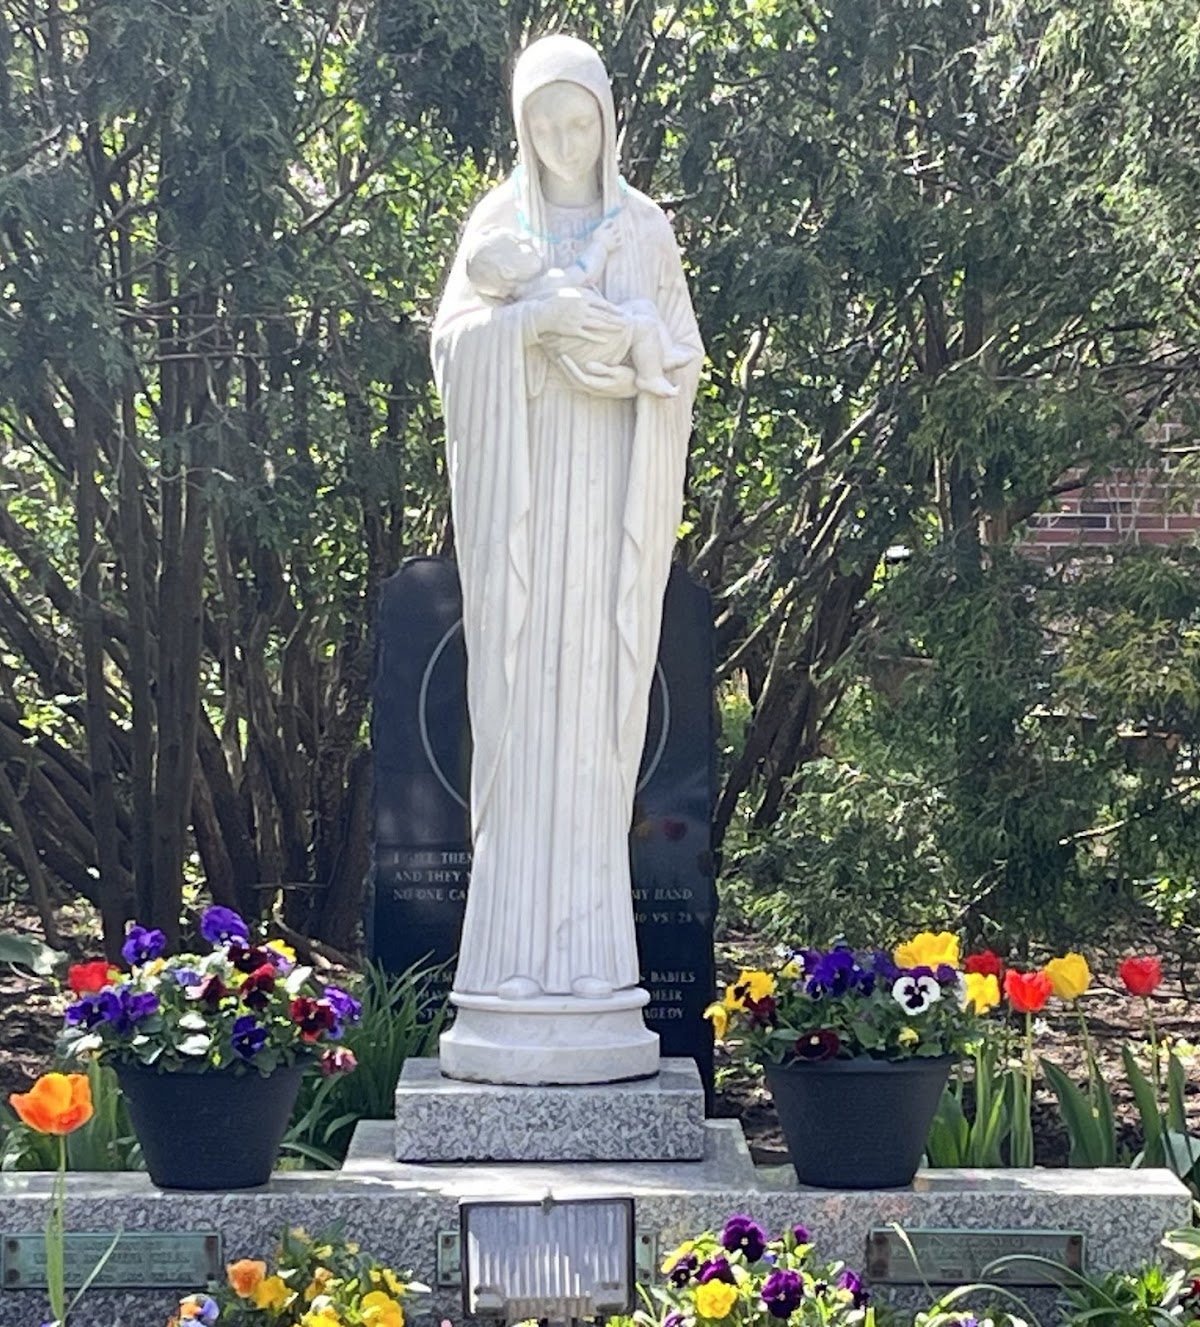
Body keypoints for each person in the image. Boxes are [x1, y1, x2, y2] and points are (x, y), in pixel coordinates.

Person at [431, 33, 702, 1082]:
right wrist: (529, 325)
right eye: (541, 123)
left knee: (590, 725)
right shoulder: (496, 225)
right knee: (523, 716)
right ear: (521, 128)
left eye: (576, 119)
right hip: (527, 514)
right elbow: (454, 350)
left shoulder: (644, 229)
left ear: (606, 120)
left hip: (605, 513)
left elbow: (679, 361)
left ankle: (594, 969)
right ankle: (506, 968)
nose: (561, 139)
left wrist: (629, 350)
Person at [463, 218, 693, 397]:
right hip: (596, 337)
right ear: (508, 272)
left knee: (643, 307)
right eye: (519, 245)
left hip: (591, 339)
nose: (529, 240)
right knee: (645, 326)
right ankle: (650, 376)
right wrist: (601, 245)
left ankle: (665, 354)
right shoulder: (548, 282)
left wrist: (627, 385)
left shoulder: (647, 215)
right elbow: (585, 272)